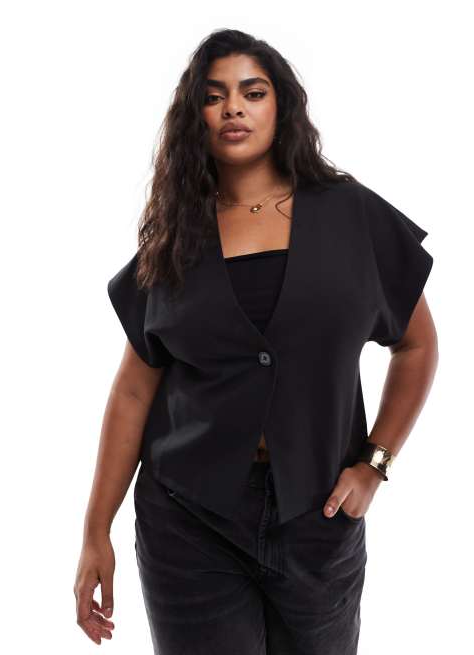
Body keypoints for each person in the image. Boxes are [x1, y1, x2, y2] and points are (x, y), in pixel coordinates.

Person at [74, 29, 438, 654]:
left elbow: (417, 346)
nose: (233, 108)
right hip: (188, 521)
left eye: (252, 92)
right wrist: (94, 532)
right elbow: (134, 391)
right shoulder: (177, 238)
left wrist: (374, 465)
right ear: (196, 116)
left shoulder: (351, 215)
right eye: (214, 96)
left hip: (320, 516)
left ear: (281, 105)